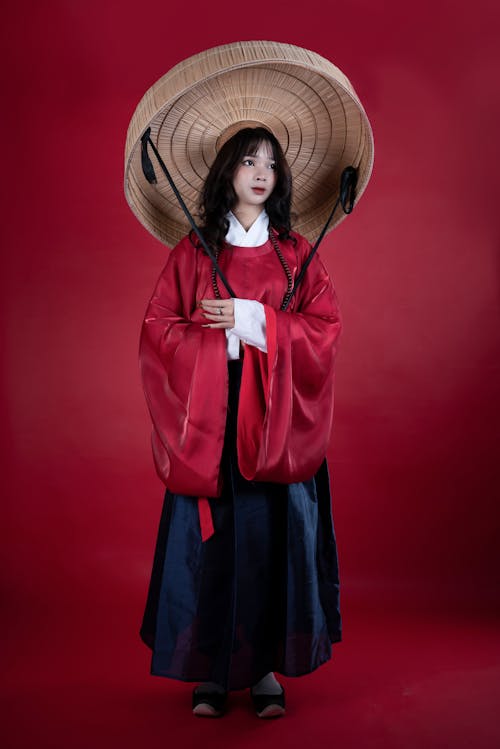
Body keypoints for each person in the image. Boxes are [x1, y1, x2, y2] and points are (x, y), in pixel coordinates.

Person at [138, 126, 343, 718]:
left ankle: (263, 670)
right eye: (249, 161)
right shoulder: (192, 253)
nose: (260, 173)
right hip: (211, 421)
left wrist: (255, 321)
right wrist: (217, 343)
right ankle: (209, 670)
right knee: (215, 543)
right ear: (227, 169)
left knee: (272, 542)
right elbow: (157, 331)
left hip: (276, 423)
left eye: (271, 165)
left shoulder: (297, 254)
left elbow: (325, 332)